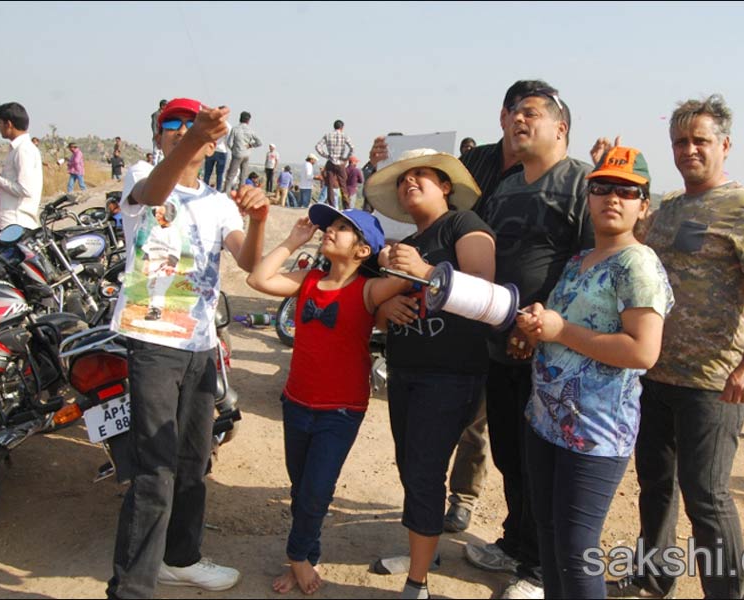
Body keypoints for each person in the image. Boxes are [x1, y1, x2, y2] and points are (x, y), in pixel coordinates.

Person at [606, 94, 744, 600]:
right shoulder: (667, 210)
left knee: (707, 497)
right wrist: (614, 176)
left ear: (724, 145)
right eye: (680, 141)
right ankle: (653, 575)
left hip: (713, 383)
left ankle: (725, 594)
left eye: (700, 140)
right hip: (654, 375)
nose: (689, 149)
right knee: (655, 486)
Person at [105, 97, 269, 599]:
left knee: (195, 461)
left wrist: (260, 217)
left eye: (188, 124)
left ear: (212, 141)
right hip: (153, 341)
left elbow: (248, 262)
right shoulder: (144, 175)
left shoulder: (218, 203)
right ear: (159, 136)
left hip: (201, 344)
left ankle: (181, 558)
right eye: (169, 124)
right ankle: (130, 589)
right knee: (154, 470)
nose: (177, 130)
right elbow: (157, 192)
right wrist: (196, 136)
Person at [517, 147, 673, 599]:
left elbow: (643, 350)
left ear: (644, 205)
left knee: (576, 549)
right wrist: (537, 328)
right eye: (601, 188)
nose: (612, 198)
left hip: (595, 432)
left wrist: (561, 329)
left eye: (627, 191)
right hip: (546, 422)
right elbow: (564, 330)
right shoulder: (580, 259)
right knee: (548, 533)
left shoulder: (637, 264)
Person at [469, 82, 595, 600]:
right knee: (508, 454)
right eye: (515, 113)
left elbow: (590, 267)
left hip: (554, 353)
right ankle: (516, 544)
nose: (520, 120)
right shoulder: (507, 186)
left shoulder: (581, 183)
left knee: (545, 462)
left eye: (533, 114)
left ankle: (542, 570)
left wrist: (542, 329)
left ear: (560, 129)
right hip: (502, 344)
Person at [248, 205, 412, 595]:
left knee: (316, 490)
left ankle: (298, 557)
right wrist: (293, 240)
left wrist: (387, 255)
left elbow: (408, 280)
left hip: (340, 411)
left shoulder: (368, 290)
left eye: (342, 228)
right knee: (300, 487)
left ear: (361, 251)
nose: (330, 231)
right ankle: (310, 553)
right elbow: (257, 278)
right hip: (295, 402)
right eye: (331, 226)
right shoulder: (308, 279)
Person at [365, 148, 496, 600]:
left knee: (422, 471)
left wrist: (424, 272)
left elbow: (485, 288)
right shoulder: (406, 244)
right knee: (412, 467)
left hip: (451, 375)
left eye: (421, 175)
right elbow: (374, 307)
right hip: (407, 371)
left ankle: (416, 583)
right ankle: (425, 552)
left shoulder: (464, 226)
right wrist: (384, 306)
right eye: (403, 179)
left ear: (446, 186)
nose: (409, 183)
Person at [0, 102, 43, 230]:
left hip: (15, 222)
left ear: (9, 124)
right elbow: (15, 183)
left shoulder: (23, 150)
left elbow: (24, 189)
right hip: (9, 223)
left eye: (0, 123)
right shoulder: (17, 148)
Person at [315, 119, 354, 208]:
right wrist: (346, 157)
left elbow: (318, 146)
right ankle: (346, 206)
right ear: (342, 127)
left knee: (330, 186)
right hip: (340, 162)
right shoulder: (344, 136)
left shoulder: (328, 135)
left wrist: (326, 155)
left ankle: (332, 205)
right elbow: (352, 147)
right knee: (343, 185)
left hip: (331, 161)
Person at [224, 110, 261, 192]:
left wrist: (234, 150)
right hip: (246, 155)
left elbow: (229, 143)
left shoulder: (235, 129)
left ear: (240, 118)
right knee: (243, 177)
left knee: (231, 175)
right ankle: (241, 194)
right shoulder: (250, 130)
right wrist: (251, 145)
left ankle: (226, 193)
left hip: (237, 154)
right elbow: (259, 142)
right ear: (248, 120)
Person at [203, 115, 229, 190]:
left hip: (211, 148)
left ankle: (205, 188)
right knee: (220, 174)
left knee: (207, 172)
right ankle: (218, 190)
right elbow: (228, 141)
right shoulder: (227, 126)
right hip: (222, 150)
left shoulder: (212, 124)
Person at [150, 98, 167, 164]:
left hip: (163, 136)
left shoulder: (165, 114)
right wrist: (156, 135)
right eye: (165, 105)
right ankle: (154, 168)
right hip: (157, 136)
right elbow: (154, 125)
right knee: (156, 152)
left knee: (161, 153)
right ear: (162, 106)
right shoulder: (156, 114)